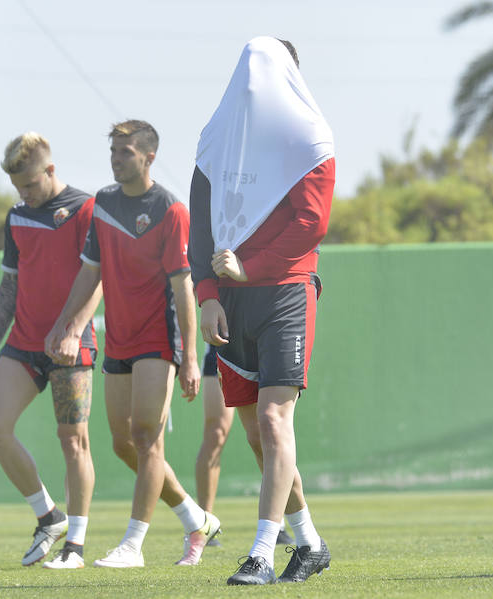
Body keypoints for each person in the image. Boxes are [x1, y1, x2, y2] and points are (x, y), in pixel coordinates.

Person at [189, 37, 334, 585]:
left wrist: (251, 266)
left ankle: (261, 554)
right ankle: (311, 543)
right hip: (229, 301)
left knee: (275, 422)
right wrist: (207, 294)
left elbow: (311, 223)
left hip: (285, 294)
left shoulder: (310, 138)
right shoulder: (216, 140)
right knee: (256, 435)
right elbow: (199, 224)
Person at [46, 120, 219, 568]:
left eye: (125, 152)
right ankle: (195, 518)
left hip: (158, 339)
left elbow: (183, 287)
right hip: (118, 339)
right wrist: (66, 325)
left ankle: (133, 545)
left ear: (148, 157)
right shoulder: (102, 203)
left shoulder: (170, 209)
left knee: (146, 438)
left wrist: (190, 360)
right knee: (124, 443)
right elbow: (90, 271)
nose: (116, 159)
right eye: (114, 152)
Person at [0, 132, 101, 569]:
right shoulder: (16, 217)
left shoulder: (87, 209)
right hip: (23, 345)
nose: (24, 195)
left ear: (50, 170)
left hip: (72, 345)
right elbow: (9, 282)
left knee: (73, 442)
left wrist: (73, 331)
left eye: (30, 185)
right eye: (18, 188)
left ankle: (77, 546)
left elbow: (97, 278)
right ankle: (49, 516)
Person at [187, 344, 294, 551]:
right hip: (222, 353)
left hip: (263, 351)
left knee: (265, 437)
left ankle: (278, 523)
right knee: (215, 433)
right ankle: (204, 523)